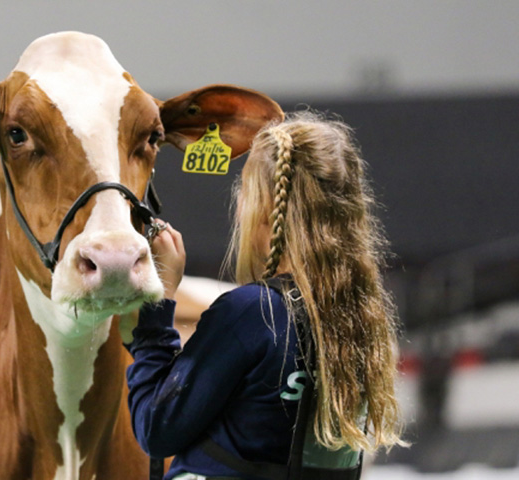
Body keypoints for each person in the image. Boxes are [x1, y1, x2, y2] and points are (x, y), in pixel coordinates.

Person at [125, 111, 405, 480]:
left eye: (246, 189)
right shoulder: (364, 319)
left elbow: (156, 429)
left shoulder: (254, 313)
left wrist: (159, 303)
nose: (239, 206)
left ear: (269, 207)